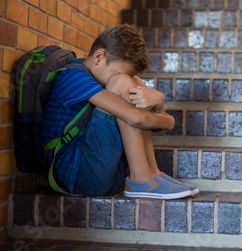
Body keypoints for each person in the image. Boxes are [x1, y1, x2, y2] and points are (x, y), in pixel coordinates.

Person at [42, 24, 198, 199]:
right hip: (79, 176)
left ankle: (153, 174)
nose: (116, 77)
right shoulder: (72, 76)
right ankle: (140, 179)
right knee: (123, 83)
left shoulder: (94, 74)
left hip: (103, 170)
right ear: (99, 57)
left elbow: (144, 119)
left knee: (135, 82)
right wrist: (167, 115)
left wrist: (157, 105)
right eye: (115, 72)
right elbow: (136, 118)